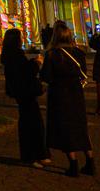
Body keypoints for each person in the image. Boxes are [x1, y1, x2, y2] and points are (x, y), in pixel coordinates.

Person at [39, 21, 95, 177]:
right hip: (76, 94)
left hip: (59, 95)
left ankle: (73, 165)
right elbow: (82, 72)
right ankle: (90, 162)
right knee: (81, 127)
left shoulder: (52, 55)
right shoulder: (78, 53)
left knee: (66, 130)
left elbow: (47, 77)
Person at [1, 28, 48, 167]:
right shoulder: (16, 55)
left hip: (20, 92)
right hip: (25, 92)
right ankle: (32, 156)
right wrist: (37, 63)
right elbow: (25, 72)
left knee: (29, 122)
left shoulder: (9, 55)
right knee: (32, 123)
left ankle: (37, 154)